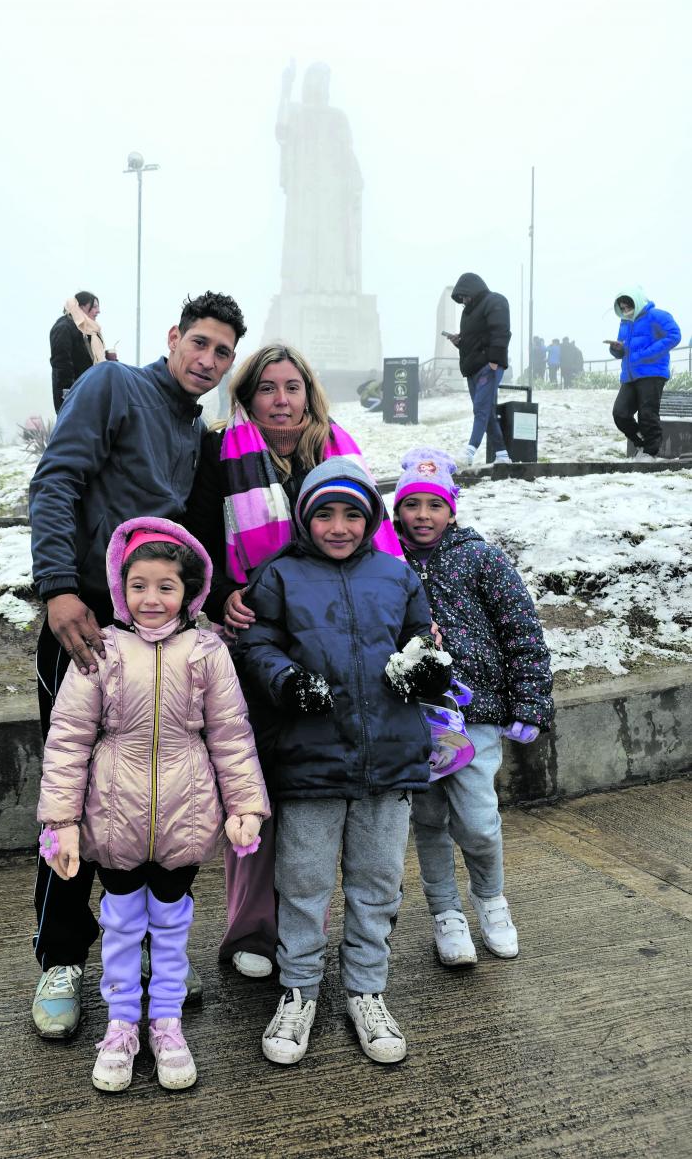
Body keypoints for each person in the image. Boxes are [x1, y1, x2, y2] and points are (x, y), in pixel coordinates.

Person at [28, 290, 247, 1040]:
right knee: (76, 794)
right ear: (173, 337)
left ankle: (147, 968)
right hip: (86, 620)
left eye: (223, 353)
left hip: (158, 633)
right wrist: (58, 588)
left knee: (145, 804)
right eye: (201, 343)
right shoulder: (113, 385)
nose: (208, 361)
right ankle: (60, 957)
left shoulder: (194, 428)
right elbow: (56, 479)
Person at [182, 343, 403, 981]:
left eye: (293, 387)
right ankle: (253, 927)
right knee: (255, 783)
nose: (282, 401)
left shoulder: (337, 450)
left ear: (309, 393)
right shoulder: (219, 452)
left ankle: (331, 922)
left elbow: (378, 540)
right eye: (268, 389)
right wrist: (223, 594)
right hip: (254, 640)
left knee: (331, 781)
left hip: (340, 639)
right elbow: (195, 536)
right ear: (247, 397)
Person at [38, 518, 269, 1092]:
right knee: (119, 923)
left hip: (184, 818)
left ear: (189, 592)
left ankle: (166, 1021)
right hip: (115, 817)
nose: (151, 599)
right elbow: (68, 738)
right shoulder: (101, 653)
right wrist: (60, 821)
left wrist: (245, 805)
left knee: (171, 921)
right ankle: (121, 1025)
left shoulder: (208, 652)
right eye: (138, 585)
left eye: (166, 586)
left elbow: (231, 734)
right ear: (121, 589)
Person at [237, 458, 438, 1067]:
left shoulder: (396, 577)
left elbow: (420, 637)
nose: (340, 525)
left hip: (389, 757)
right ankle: (298, 988)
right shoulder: (281, 576)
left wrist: (424, 665)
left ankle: (366, 989)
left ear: (372, 518)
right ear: (305, 519)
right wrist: (286, 680)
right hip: (310, 759)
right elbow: (258, 643)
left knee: (376, 884)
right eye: (325, 513)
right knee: (303, 883)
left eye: (353, 513)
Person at [392, 447, 554, 967]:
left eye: (433, 505)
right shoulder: (385, 561)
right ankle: (446, 914)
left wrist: (529, 702)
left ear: (451, 510)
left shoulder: (481, 557)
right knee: (430, 820)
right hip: (415, 716)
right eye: (411, 504)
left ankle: (491, 900)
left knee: (479, 821)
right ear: (397, 509)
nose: (422, 516)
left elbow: (521, 629)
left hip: (475, 712)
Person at [445, 273, 512, 466]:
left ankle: (469, 452)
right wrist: (459, 342)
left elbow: (501, 331)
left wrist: (494, 360)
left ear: (472, 290)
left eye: (465, 296)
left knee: (481, 410)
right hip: (472, 367)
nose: (464, 301)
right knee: (485, 411)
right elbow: (473, 340)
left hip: (488, 366)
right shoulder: (468, 313)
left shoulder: (495, 301)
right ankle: (502, 455)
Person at [608, 286, 682, 460]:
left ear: (638, 301)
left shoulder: (657, 315)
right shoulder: (625, 322)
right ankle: (642, 443)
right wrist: (616, 349)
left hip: (652, 372)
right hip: (630, 375)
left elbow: (674, 335)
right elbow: (624, 349)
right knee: (620, 413)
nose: (626, 310)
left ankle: (650, 453)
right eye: (623, 308)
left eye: (628, 306)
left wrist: (645, 354)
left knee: (647, 414)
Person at [50, 291, 113, 412]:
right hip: (73, 398)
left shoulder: (89, 331)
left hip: (90, 394)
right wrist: (68, 395)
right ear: (81, 307)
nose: (98, 311)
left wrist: (109, 361)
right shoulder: (64, 327)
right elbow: (61, 364)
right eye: (94, 306)